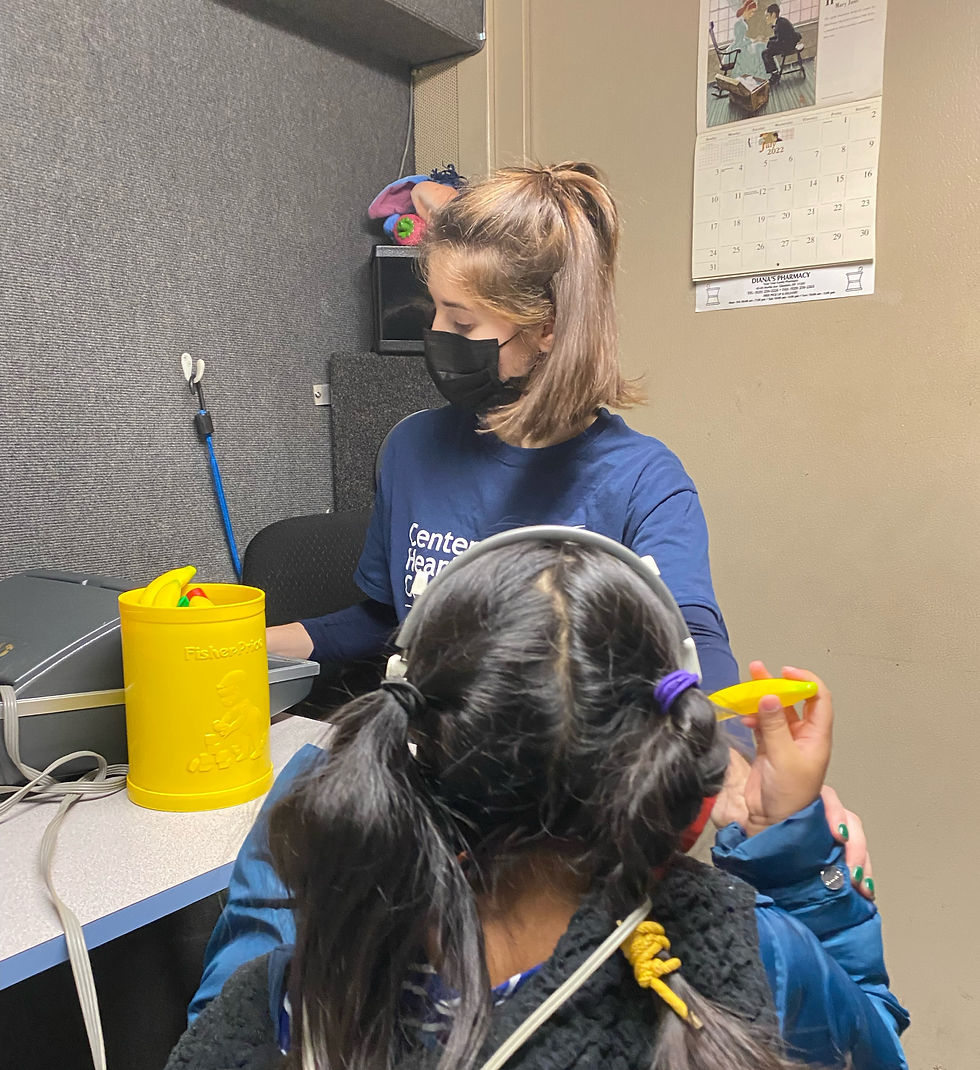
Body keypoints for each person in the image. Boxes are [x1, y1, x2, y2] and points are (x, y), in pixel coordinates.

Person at [167, 533, 908, 1070]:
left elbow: (228, 1034)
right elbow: (867, 1044)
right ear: (675, 805)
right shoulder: (754, 955)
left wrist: (285, 853)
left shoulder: (292, 1000)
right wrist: (804, 873)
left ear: (408, 766)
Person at [267, 161, 738, 697]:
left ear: (549, 328)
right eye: (436, 312)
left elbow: (691, 643)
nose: (436, 334)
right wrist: (246, 641)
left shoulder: (643, 483)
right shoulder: (410, 449)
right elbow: (391, 622)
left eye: (462, 321)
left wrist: (734, 753)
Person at [761, 4, 802, 85]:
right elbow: (779, 37)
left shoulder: (780, 24)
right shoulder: (780, 21)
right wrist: (769, 40)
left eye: (767, 16)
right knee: (767, 51)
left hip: (788, 46)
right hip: (787, 43)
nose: (766, 18)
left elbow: (779, 41)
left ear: (773, 14)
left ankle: (775, 74)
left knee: (765, 53)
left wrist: (769, 43)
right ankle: (774, 73)